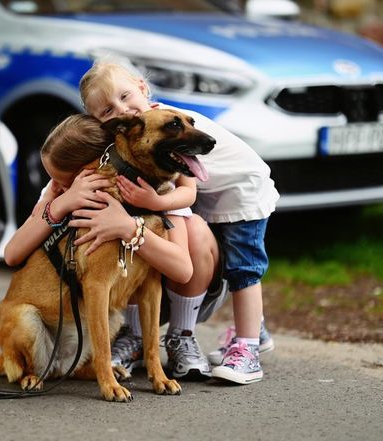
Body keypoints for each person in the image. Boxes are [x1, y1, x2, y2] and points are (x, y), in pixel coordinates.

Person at [79, 61, 279, 384]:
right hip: (212, 202)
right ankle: (251, 326)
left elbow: (188, 191)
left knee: (245, 270)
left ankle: (248, 344)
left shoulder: (167, 125)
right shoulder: (130, 134)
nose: (120, 110)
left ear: (143, 89)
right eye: (106, 111)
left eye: (126, 96)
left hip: (243, 192)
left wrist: (154, 203)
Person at [5, 113, 194, 294]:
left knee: (197, 229)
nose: (54, 187)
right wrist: (58, 204)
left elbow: (183, 270)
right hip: (88, 306)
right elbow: (12, 254)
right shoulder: (62, 192)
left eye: (63, 183)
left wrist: (128, 228)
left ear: (96, 168)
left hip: (150, 299)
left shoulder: (164, 190)